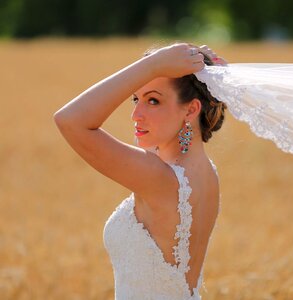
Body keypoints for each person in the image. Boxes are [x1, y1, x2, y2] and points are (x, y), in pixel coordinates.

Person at [53, 43, 228, 299]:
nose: (136, 114)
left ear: (191, 109)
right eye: (137, 99)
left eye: (153, 100)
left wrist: (152, 65)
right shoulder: (205, 172)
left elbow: (70, 120)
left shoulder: (160, 178)